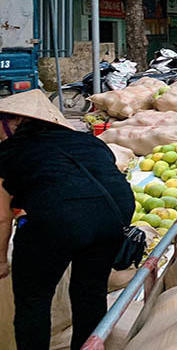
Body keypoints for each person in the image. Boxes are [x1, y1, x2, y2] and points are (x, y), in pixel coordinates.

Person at [0, 90, 132, 350]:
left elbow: (2, 217)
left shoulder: (9, 152)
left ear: (15, 121)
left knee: (34, 301)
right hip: (115, 213)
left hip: (61, 218)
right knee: (90, 292)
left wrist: (1, 261)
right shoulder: (88, 142)